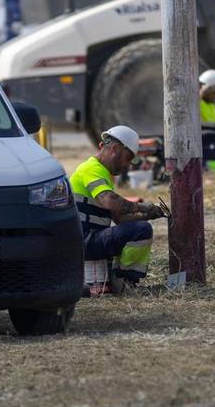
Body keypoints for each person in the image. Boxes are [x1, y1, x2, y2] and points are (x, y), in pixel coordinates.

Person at [70, 125, 166, 294]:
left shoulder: (103, 174)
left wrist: (147, 215)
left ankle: (120, 282)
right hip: (83, 240)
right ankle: (124, 283)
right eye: (128, 158)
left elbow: (120, 219)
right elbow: (110, 201)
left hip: (87, 239)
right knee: (141, 230)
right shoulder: (91, 169)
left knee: (140, 229)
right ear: (114, 149)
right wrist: (142, 206)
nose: (127, 166)